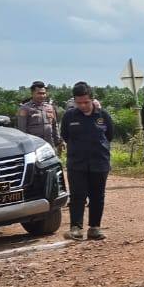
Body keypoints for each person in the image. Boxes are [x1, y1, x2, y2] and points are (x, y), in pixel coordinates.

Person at [59, 82, 112, 241]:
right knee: (77, 196)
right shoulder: (69, 116)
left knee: (97, 196)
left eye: (86, 102)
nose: (82, 105)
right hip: (77, 163)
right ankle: (76, 228)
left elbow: (109, 135)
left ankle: (94, 228)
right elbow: (65, 136)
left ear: (92, 99)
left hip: (99, 162)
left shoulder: (103, 115)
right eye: (79, 102)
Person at [17, 81, 62, 152]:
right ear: (32, 94)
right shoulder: (25, 109)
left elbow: (54, 126)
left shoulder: (50, 107)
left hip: (50, 145)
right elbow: (22, 130)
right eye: (39, 93)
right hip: (34, 147)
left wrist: (58, 142)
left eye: (44, 93)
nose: (42, 96)